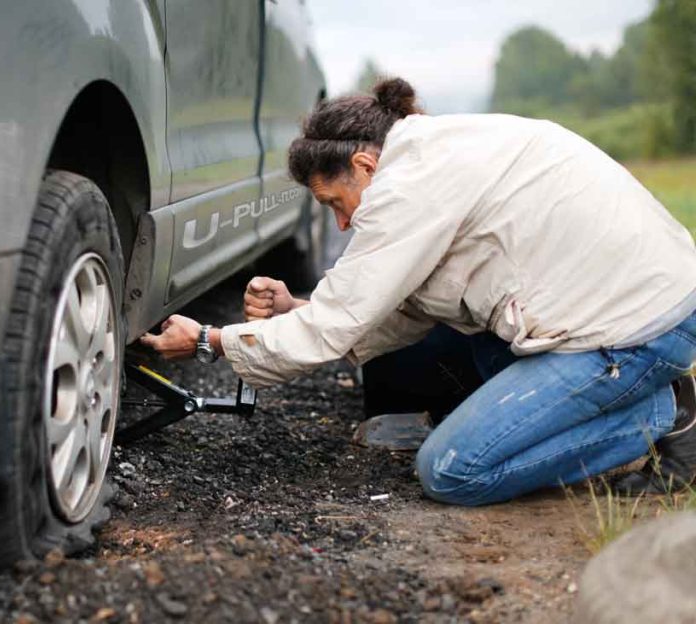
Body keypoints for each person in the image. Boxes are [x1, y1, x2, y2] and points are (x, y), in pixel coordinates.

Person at [140, 77, 696, 506]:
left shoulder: (407, 185)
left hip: (634, 331)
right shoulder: (429, 152)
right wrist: (298, 310)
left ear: (364, 164)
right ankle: (645, 400)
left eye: (336, 203)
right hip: (644, 298)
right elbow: (402, 304)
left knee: (452, 470)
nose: (339, 226)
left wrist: (209, 341)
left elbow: (338, 326)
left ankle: (661, 416)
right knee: (473, 345)